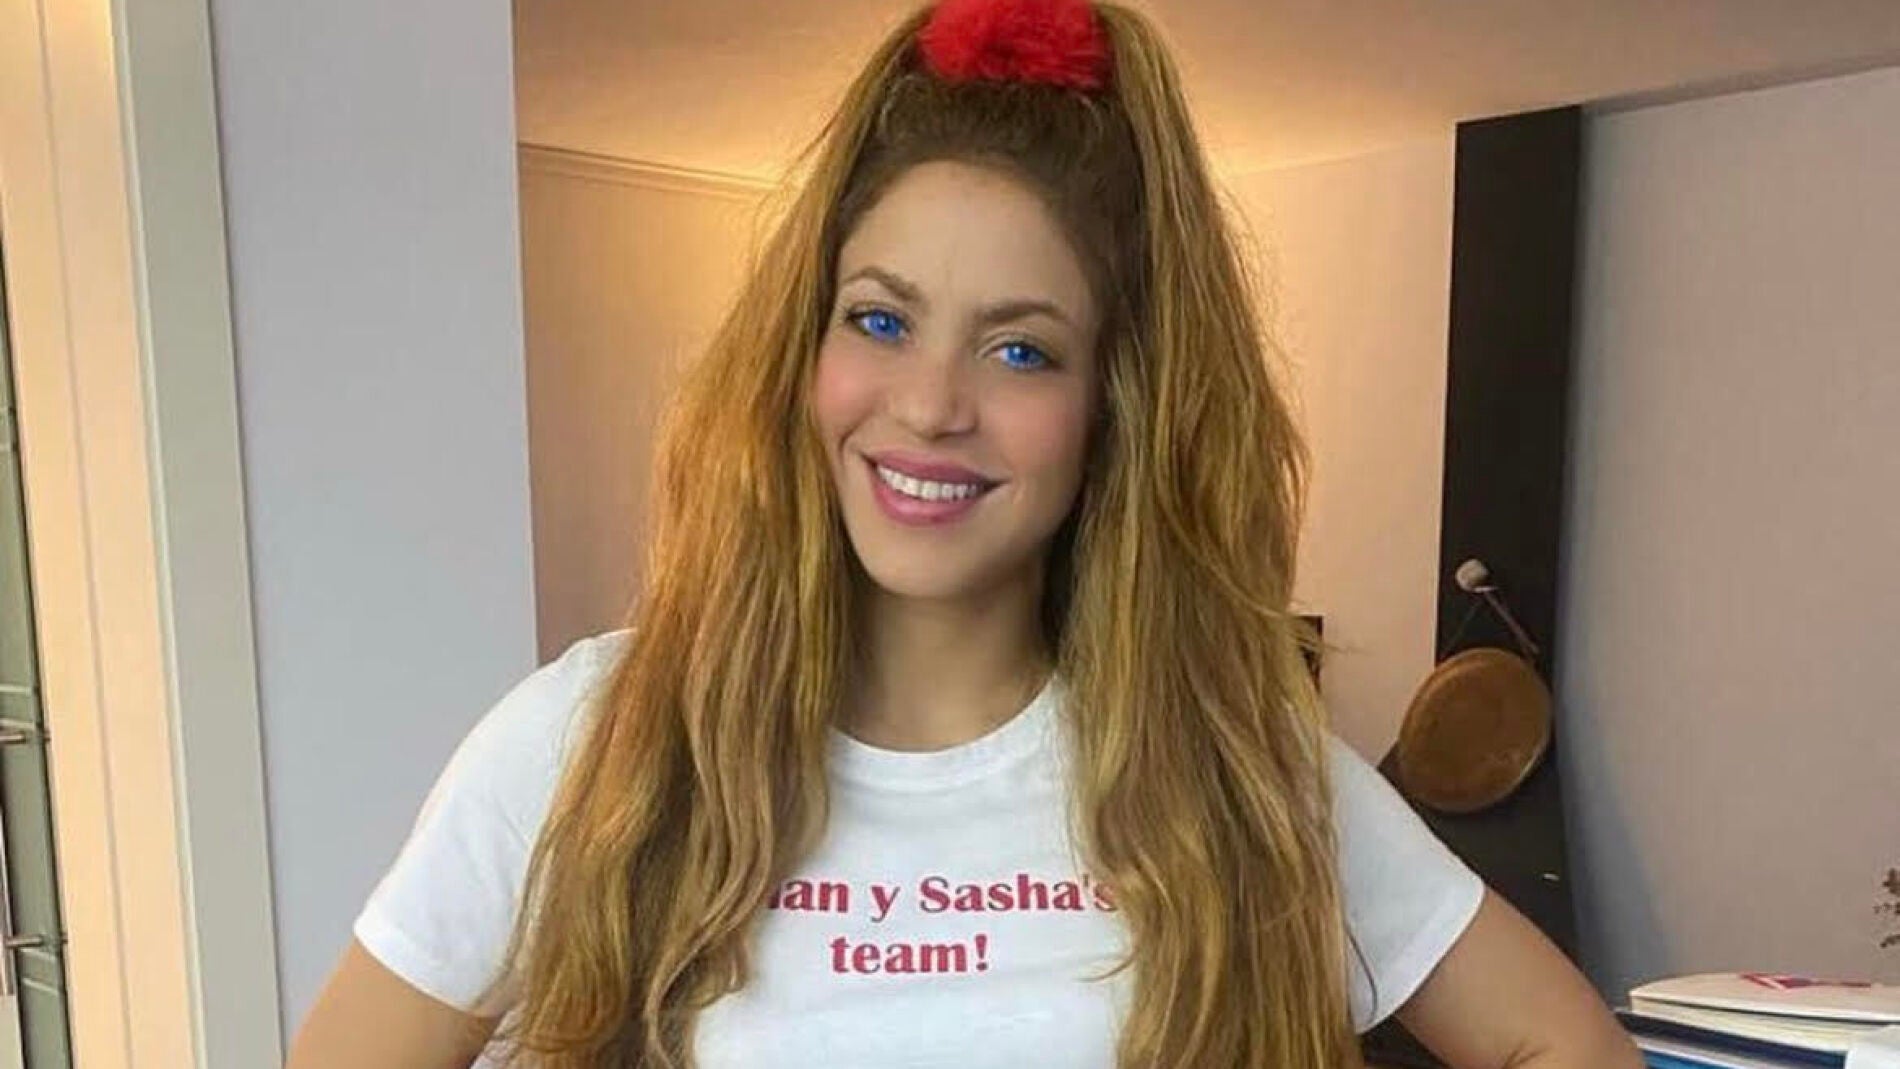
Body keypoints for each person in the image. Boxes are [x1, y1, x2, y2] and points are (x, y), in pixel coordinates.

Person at [289, 0, 1642, 1066]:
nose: (931, 405)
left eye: (1019, 348)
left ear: (1113, 405)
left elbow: (1562, 1043)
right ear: (804, 353)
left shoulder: (1232, 763)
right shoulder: (595, 740)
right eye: (880, 320)